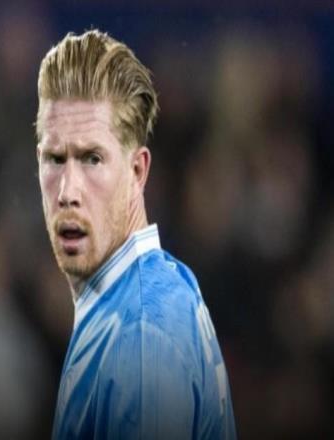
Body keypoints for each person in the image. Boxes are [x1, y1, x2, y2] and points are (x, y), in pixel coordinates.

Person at [35, 29, 237, 440]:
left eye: (92, 159)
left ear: (137, 171)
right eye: (55, 159)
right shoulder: (144, 295)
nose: (67, 191)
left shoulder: (142, 333)